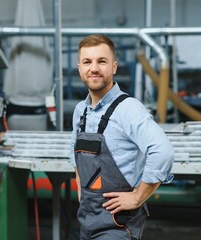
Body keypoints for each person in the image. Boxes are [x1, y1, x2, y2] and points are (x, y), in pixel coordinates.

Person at [70, 34, 175, 240]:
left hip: (118, 224)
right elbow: (77, 163)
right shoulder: (80, 111)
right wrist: (86, 201)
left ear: (114, 67)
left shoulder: (128, 109)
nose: (94, 68)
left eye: (102, 61)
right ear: (79, 68)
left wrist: (137, 197)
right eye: (87, 62)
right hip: (87, 219)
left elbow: (163, 152)